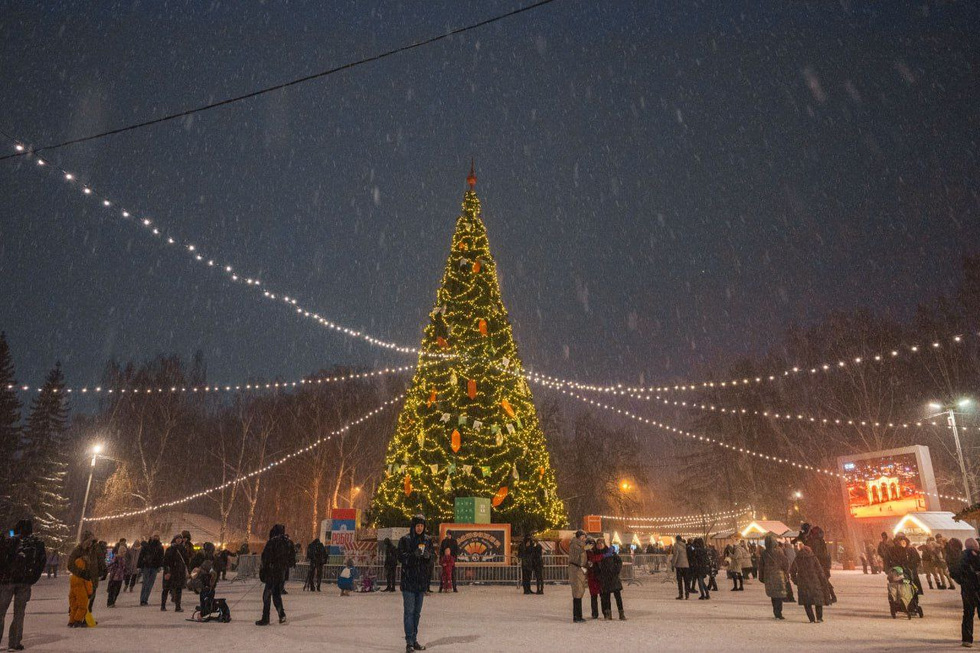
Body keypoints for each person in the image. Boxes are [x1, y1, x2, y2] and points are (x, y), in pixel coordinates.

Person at [0, 519, 46, 650]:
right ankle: (14, 642)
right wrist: (32, 578)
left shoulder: (9, 541)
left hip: (7, 581)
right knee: (19, 613)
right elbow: (41, 562)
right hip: (25, 582)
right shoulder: (36, 543)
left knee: (1, 612)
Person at [398, 514, 434, 651]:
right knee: (409, 612)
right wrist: (413, 555)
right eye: (417, 525)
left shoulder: (427, 540)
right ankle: (409, 642)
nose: (420, 528)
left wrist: (428, 557)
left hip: (421, 582)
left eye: (422, 525)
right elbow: (401, 557)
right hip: (409, 582)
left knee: (417, 613)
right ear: (413, 526)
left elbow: (433, 557)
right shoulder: (405, 540)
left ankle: (414, 639)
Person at [256, 524, 292, 626]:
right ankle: (281, 615)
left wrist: (265, 568)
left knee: (266, 595)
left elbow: (266, 557)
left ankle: (266, 618)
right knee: (276, 595)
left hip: (271, 573)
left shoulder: (272, 542)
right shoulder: (286, 543)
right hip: (280, 573)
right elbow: (289, 559)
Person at [790, 543, 832, 623]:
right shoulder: (813, 558)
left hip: (803, 582)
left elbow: (792, 571)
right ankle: (819, 618)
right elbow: (819, 570)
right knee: (818, 600)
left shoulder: (798, 558)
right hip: (815, 581)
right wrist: (823, 580)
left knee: (806, 601)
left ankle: (811, 619)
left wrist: (796, 581)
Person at [951, 538, 978, 647]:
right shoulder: (975, 556)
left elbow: (954, 572)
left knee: (968, 613)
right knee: (970, 613)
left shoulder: (961, 557)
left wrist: (963, 581)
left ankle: (967, 639)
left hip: (967, 589)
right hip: (975, 588)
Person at [67, 531, 103, 614]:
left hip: (93, 579)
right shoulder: (78, 550)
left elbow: (100, 560)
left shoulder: (95, 549)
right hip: (81, 581)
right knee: (79, 601)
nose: (90, 543)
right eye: (88, 541)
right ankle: (76, 616)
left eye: (92, 541)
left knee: (90, 601)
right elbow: (70, 565)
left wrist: (102, 569)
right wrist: (81, 573)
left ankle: (87, 616)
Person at [758, 533, 789, 620]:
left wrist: (761, 577)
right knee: (779, 594)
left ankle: (776, 612)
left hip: (769, 576)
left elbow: (761, 566)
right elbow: (786, 563)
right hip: (779, 575)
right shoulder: (779, 551)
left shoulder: (764, 553)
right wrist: (785, 572)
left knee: (773, 595)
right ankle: (779, 613)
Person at [596, 540, 626, 620]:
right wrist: (599, 575)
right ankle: (608, 614)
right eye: (598, 544)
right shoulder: (597, 554)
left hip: (613, 577)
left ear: (604, 544)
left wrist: (616, 571)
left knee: (618, 596)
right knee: (606, 597)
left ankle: (621, 613)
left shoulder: (611, 552)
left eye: (601, 543)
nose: (599, 545)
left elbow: (619, 561)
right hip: (605, 579)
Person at [161, 534, 188, 612]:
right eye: (177, 538)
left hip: (179, 572)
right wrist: (167, 571)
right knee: (166, 589)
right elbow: (166, 561)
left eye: (180, 538)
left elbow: (186, 561)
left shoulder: (183, 549)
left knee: (178, 589)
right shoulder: (170, 549)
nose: (179, 540)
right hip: (171, 571)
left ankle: (178, 606)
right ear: (174, 539)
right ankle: (163, 605)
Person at [567, 530, 588, 623]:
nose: (584, 538)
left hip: (580, 569)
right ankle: (577, 616)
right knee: (577, 591)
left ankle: (579, 615)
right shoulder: (575, 544)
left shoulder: (580, 544)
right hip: (575, 569)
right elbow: (578, 552)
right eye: (583, 536)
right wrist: (586, 547)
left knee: (580, 591)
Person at [137, 534, 164, 606]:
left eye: (157, 536)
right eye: (154, 536)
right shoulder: (147, 546)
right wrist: (139, 566)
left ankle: (145, 599)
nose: (156, 538)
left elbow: (161, 557)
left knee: (150, 584)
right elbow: (141, 556)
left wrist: (160, 565)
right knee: (146, 583)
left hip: (154, 567)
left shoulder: (160, 547)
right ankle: (143, 599)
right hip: (147, 566)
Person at [67, 556, 93, 628]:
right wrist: (90, 593)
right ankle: (77, 620)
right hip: (81, 592)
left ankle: (71, 621)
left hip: (72, 593)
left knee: (74, 607)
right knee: (82, 607)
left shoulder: (73, 576)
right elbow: (88, 585)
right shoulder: (84, 574)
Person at [105, 540, 128, 607]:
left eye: (125, 552)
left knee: (117, 591)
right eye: (123, 552)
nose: (124, 553)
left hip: (120, 577)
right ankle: (110, 602)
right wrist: (113, 571)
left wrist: (125, 572)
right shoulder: (116, 557)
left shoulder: (123, 559)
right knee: (112, 590)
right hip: (115, 576)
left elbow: (124, 567)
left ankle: (113, 601)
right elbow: (111, 565)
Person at [586, 538, 603, 619]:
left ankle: (605, 612)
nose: (591, 546)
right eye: (590, 544)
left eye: (593, 544)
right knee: (593, 596)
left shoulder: (597, 551)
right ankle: (594, 613)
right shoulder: (586, 552)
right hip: (592, 576)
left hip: (599, 576)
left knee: (602, 595)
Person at [670, 535, 690, 599]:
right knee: (686, 580)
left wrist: (673, 564)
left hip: (679, 565)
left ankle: (681, 594)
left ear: (676, 539)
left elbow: (675, 555)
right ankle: (687, 594)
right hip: (686, 565)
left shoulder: (676, 545)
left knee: (680, 581)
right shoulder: (685, 545)